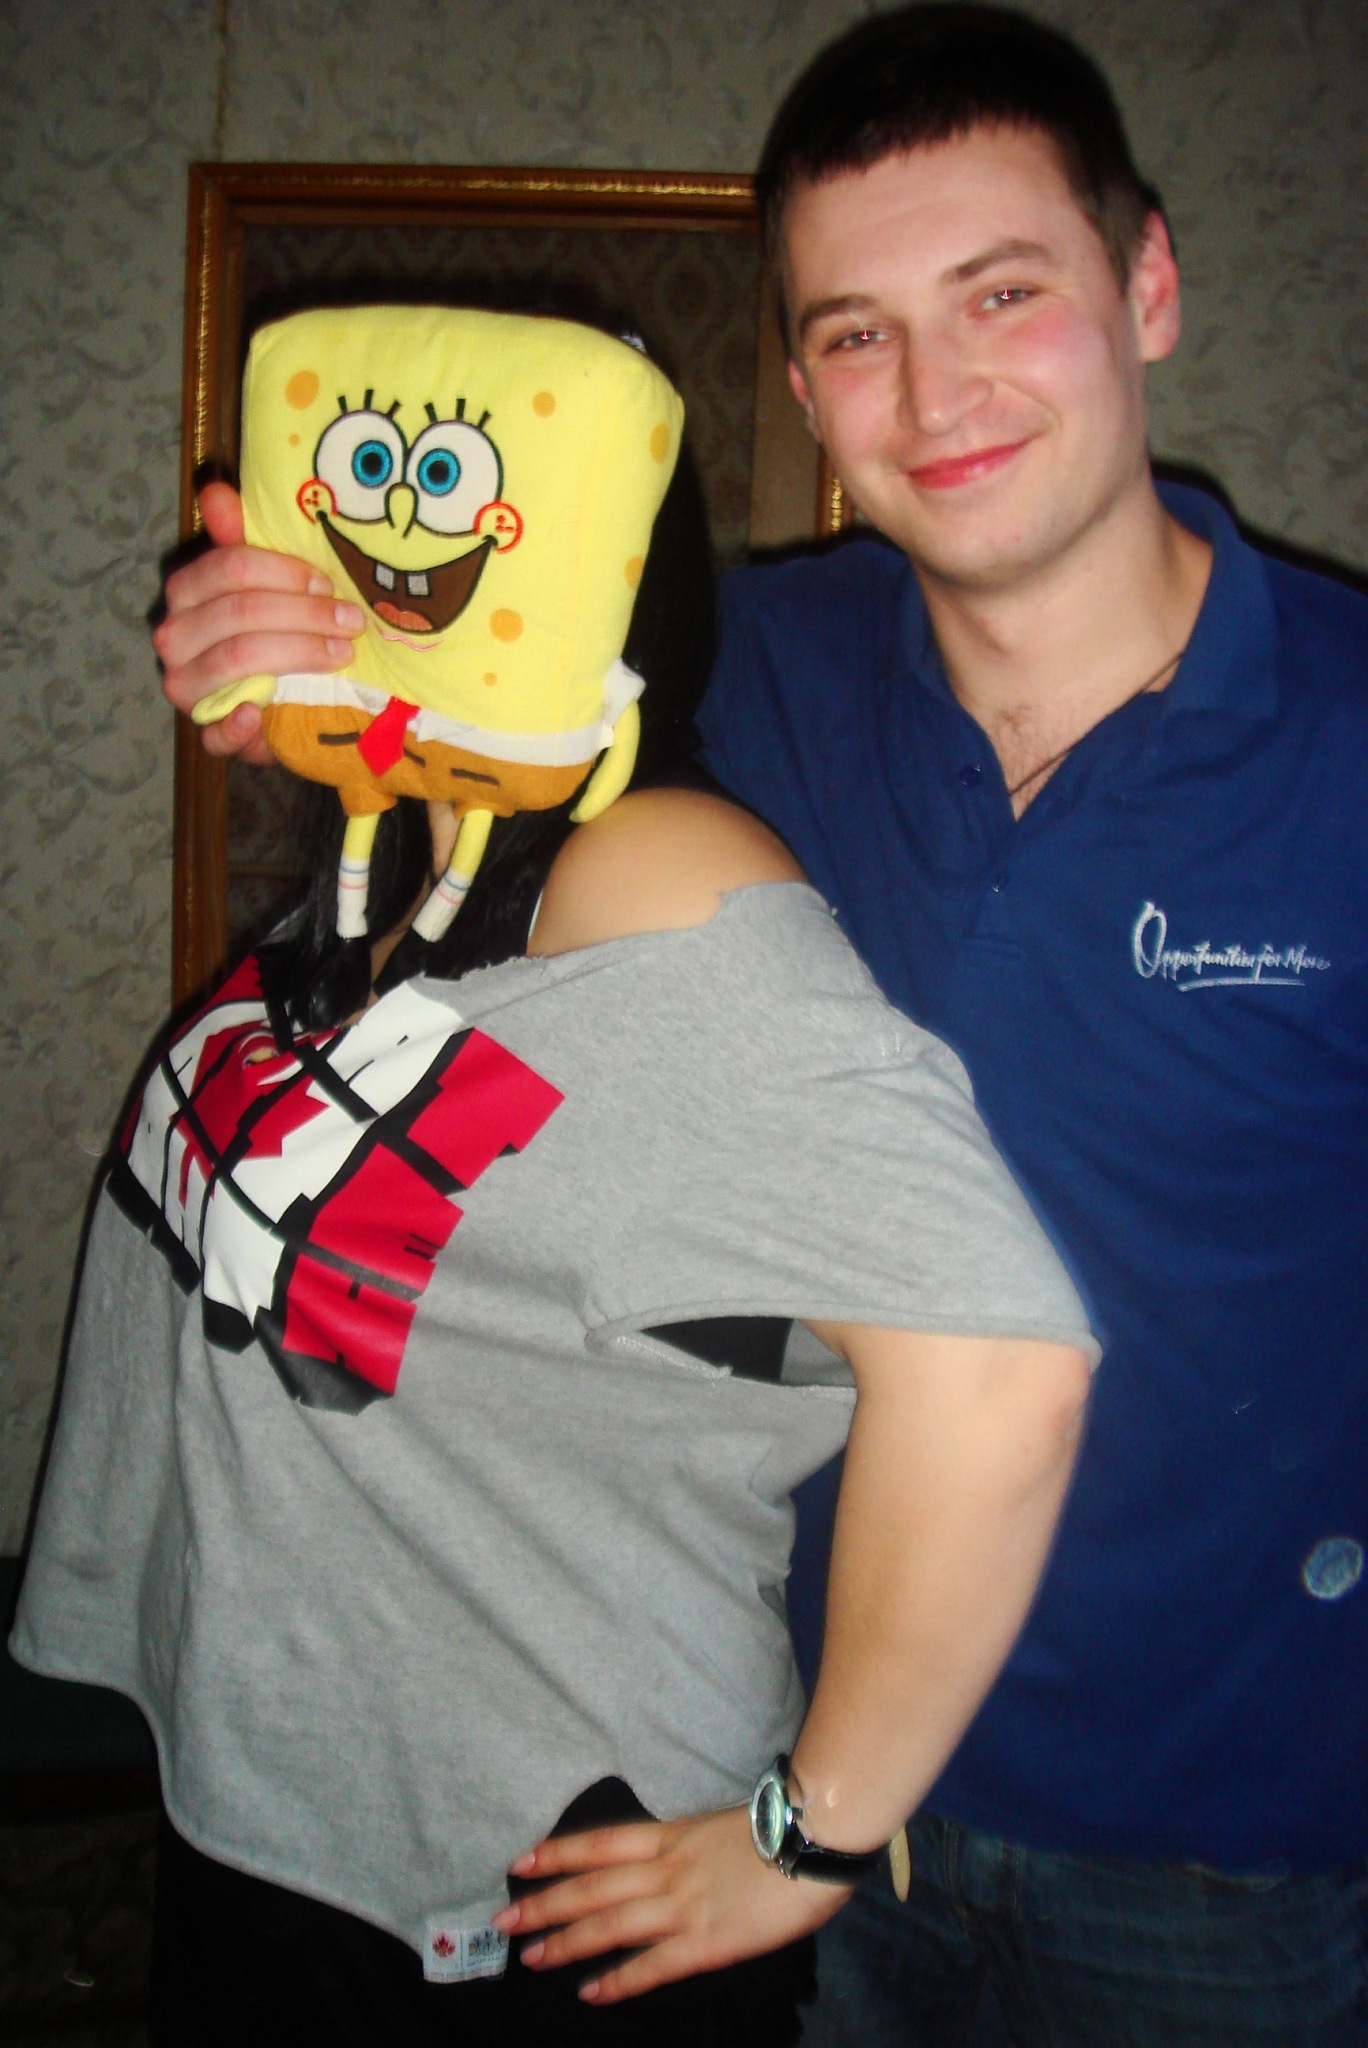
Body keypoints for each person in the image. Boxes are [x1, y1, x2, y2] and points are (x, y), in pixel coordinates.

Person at [146, 6, 1368, 2042]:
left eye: (1004, 293)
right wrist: (278, 671)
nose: (938, 391)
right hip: (780, 1742)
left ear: (1146, 285)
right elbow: (457, 776)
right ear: (802, 381)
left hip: (1223, 1832)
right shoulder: (741, 677)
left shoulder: (1351, 739)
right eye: (859, 332)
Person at [13, 388, 1095, 2046]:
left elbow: (996, 1368)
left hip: (527, 1883)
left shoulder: (646, 870)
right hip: (289, 1809)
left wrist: (809, 1839)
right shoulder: (388, 866)